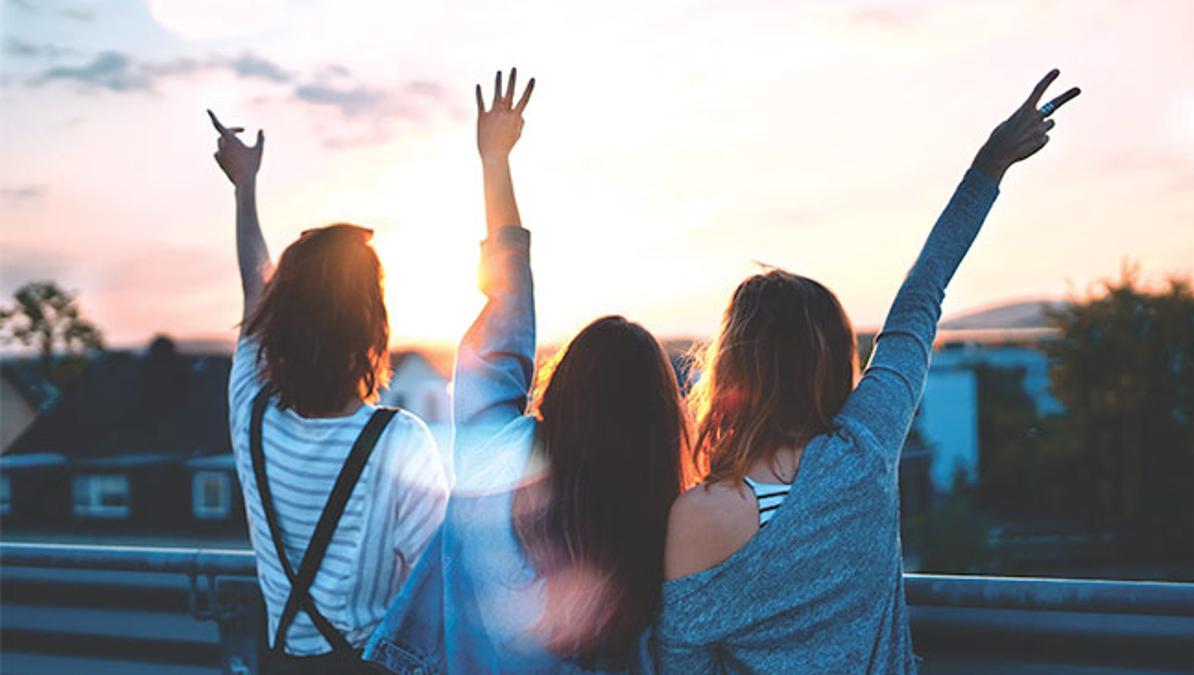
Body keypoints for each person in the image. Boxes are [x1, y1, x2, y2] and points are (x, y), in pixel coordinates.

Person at [658, 70, 1081, 673]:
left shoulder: (698, 516)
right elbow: (919, 300)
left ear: (730, 364)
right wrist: (988, 168)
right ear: (831, 361)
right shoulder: (864, 449)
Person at [366, 69, 694, 674]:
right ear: (657, 419)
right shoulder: (659, 529)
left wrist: (495, 162)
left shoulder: (496, 460)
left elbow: (506, 317)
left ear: (563, 386)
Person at [209, 110, 450, 674]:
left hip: (280, 662)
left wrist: (245, 188)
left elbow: (254, 288)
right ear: (372, 327)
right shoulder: (399, 442)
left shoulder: (251, 411)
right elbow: (437, 588)